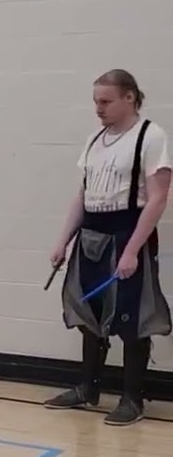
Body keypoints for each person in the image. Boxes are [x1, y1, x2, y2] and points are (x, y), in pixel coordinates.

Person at [46, 69, 172, 425]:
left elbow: (159, 198)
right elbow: (83, 196)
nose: (98, 108)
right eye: (95, 102)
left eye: (106, 101)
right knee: (91, 313)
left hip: (127, 231)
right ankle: (88, 388)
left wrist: (132, 249)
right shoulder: (94, 140)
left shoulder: (151, 136)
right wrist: (63, 241)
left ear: (129, 97)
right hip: (92, 236)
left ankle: (133, 398)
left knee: (132, 316)